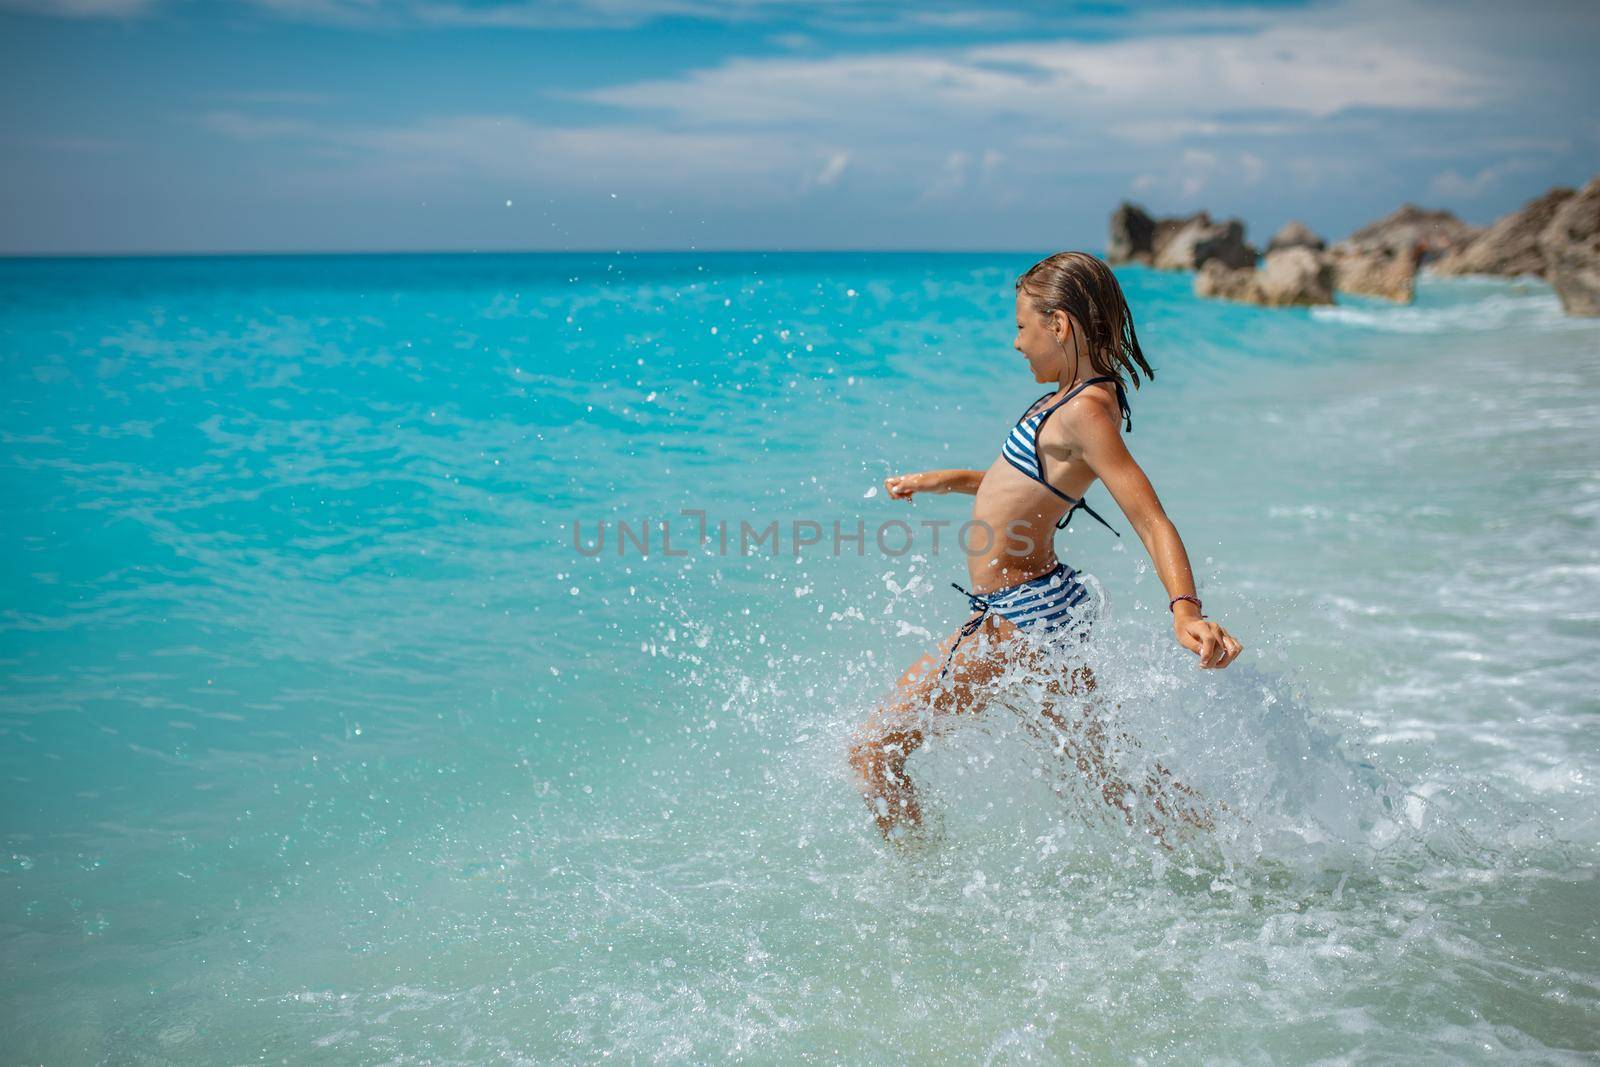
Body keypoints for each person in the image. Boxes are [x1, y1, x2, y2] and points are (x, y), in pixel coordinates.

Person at [847, 251, 1243, 846]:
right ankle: (1229, 842)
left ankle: (915, 888)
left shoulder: (1084, 411)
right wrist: (942, 481)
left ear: (1058, 325)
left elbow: (1150, 518)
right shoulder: (1064, 398)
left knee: (872, 753)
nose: (1015, 343)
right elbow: (1016, 487)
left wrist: (1185, 609)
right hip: (1036, 607)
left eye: (1021, 326)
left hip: (1018, 615)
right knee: (1110, 774)